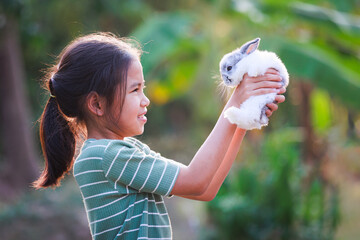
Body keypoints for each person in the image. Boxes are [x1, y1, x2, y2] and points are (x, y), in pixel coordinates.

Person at [33, 32, 286, 239]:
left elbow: (205, 189)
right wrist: (235, 101)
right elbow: (196, 179)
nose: (146, 100)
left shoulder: (124, 150)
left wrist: (242, 118)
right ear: (97, 104)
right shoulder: (108, 155)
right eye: (135, 90)